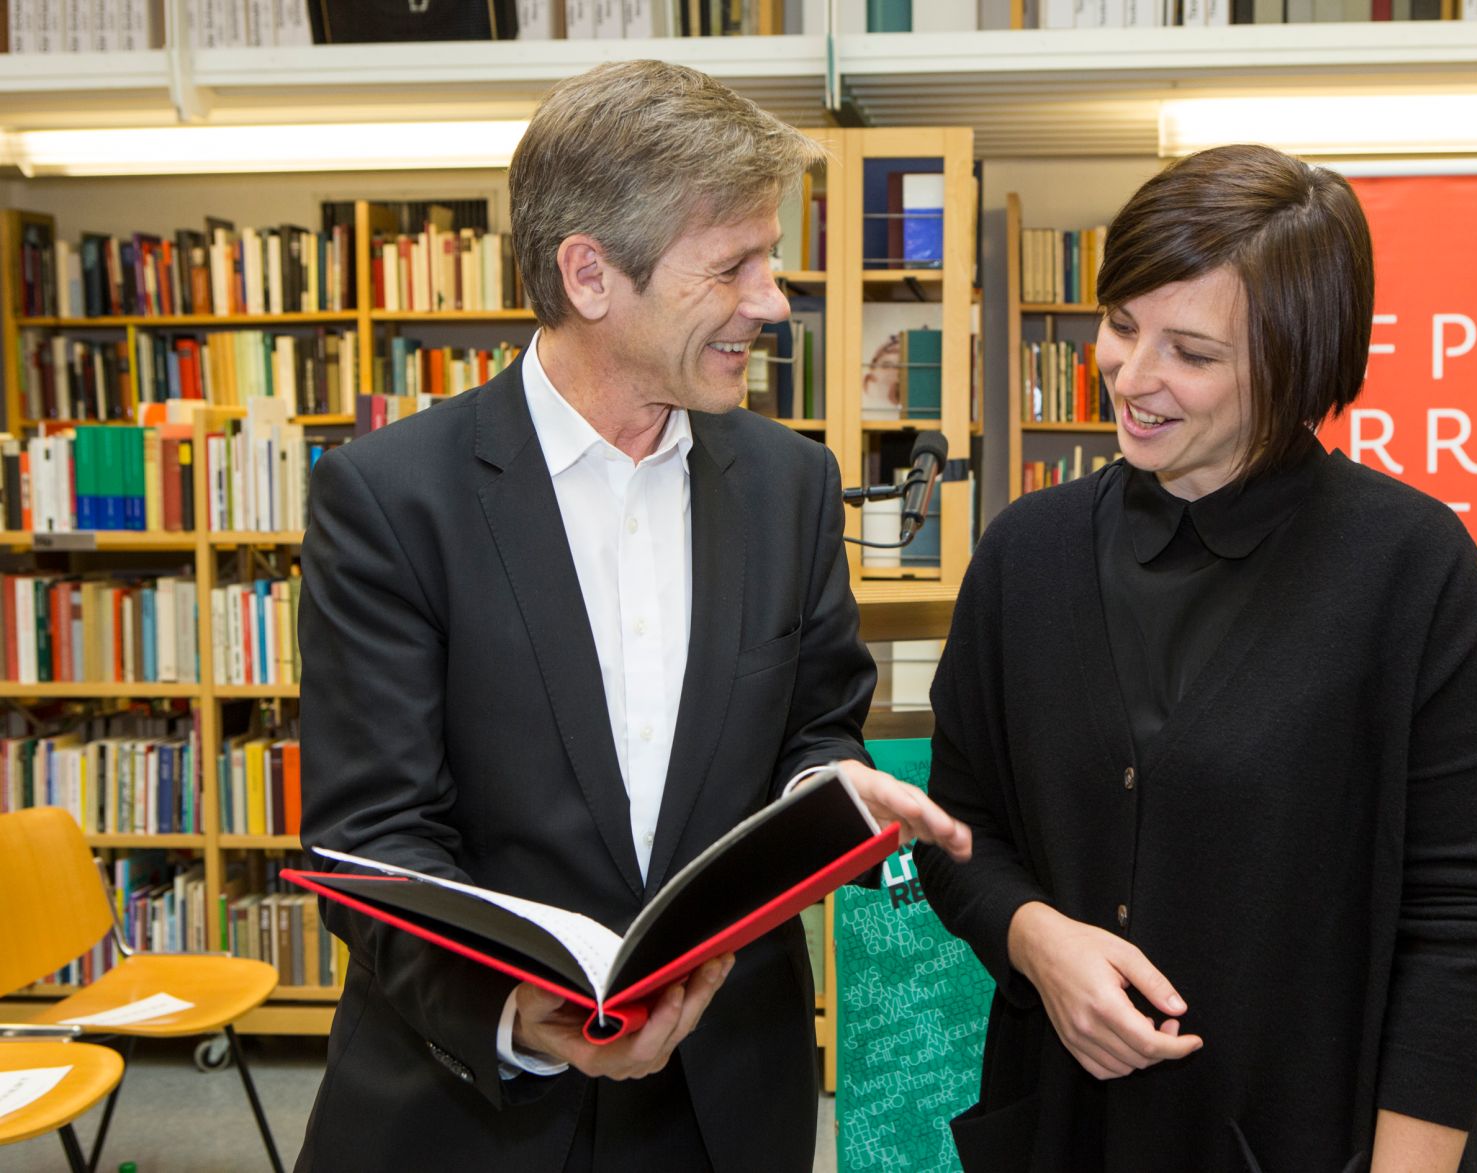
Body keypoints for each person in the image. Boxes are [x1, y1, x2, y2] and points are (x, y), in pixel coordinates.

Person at [295, 60, 970, 1173]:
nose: (771, 301)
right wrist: (517, 1014)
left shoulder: (790, 485)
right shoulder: (391, 498)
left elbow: (814, 728)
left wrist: (825, 797)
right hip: (469, 1101)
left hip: (722, 1099)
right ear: (590, 275)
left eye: (770, 261)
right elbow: (373, 837)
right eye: (734, 266)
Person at [915, 143, 1477, 1173]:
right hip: (1063, 1126)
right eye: (1121, 325)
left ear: (1295, 369)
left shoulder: (1416, 576)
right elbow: (959, 827)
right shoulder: (1026, 554)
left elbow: (1456, 925)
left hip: (1308, 1131)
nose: (1131, 375)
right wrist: (1034, 938)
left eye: (1192, 353)